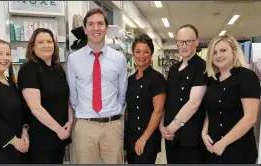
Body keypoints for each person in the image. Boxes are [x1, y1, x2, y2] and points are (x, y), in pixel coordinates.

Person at [67, 8, 128, 164]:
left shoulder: (119, 59)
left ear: (107, 29)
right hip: (84, 126)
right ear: (85, 29)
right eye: (91, 24)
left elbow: (122, 92)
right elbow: (73, 94)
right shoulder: (73, 59)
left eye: (100, 24)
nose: (96, 28)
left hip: (112, 125)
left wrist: (113, 113)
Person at [202, 35, 261, 164]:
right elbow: (212, 110)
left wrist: (223, 143)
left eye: (223, 50)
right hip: (212, 148)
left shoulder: (247, 77)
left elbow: (250, 118)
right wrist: (204, 132)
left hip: (238, 150)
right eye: (214, 52)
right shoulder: (212, 80)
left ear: (234, 51)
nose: (218, 56)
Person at [17, 28, 73, 164]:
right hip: (40, 139)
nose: (46, 45)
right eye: (40, 42)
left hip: (59, 136)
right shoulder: (29, 69)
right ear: (32, 47)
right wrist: (59, 129)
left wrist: (70, 121)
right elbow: (35, 108)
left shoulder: (58, 69)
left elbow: (66, 97)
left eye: (49, 41)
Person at [160, 24, 208, 164]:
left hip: (190, 137)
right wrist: (162, 125)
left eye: (188, 41)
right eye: (180, 42)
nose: (184, 46)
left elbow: (194, 104)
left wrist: (170, 128)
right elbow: (167, 101)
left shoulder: (202, 67)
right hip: (172, 137)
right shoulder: (174, 69)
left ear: (196, 42)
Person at [124, 34, 166, 164]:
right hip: (130, 137)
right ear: (133, 53)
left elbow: (158, 111)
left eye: (146, 51)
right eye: (138, 51)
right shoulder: (130, 80)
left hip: (147, 138)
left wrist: (144, 138)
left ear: (151, 53)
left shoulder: (157, 79)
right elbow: (128, 109)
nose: (141, 55)